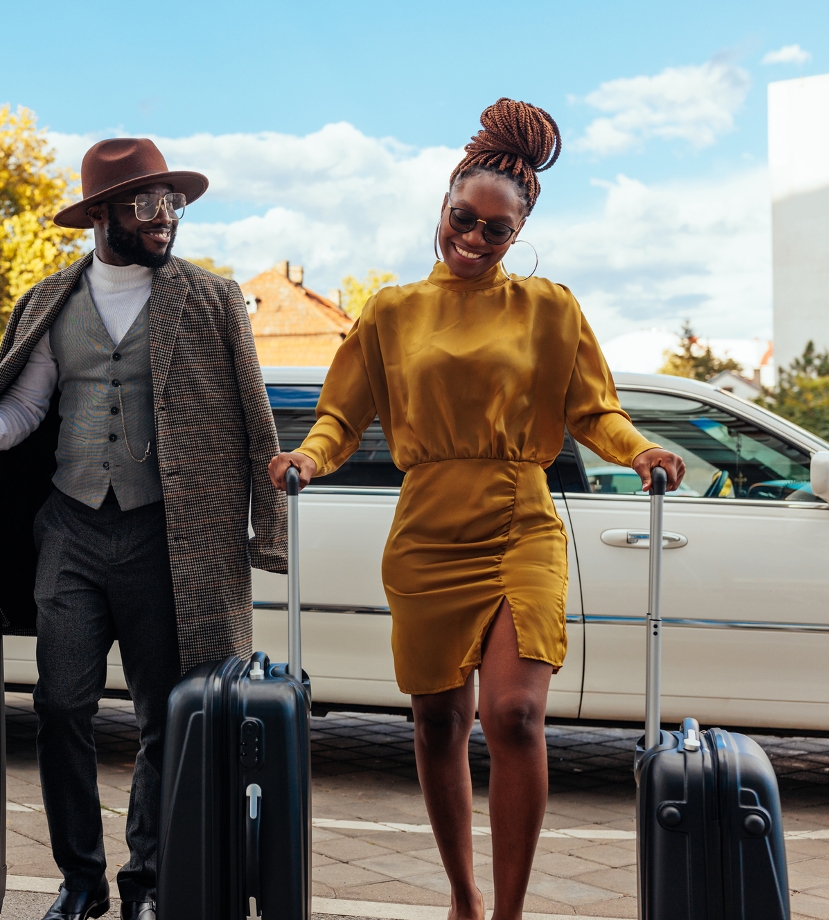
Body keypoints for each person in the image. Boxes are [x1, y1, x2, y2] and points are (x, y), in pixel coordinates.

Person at [268, 99, 686, 920]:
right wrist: (308, 458)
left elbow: (593, 410)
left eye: (497, 230)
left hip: (520, 522)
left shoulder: (550, 309)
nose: (474, 238)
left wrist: (638, 450)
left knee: (516, 714)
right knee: (436, 722)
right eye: (464, 218)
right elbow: (341, 417)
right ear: (445, 202)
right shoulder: (390, 311)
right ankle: (463, 896)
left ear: (518, 233)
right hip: (426, 532)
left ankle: (508, 913)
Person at [0, 138, 284, 920]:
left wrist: (265, 530)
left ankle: (147, 882)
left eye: (173, 201)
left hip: (168, 537)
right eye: (146, 202)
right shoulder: (50, 302)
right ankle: (80, 880)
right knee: (60, 707)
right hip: (69, 531)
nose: (165, 215)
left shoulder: (212, 298)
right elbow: (25, 403)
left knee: (163, 715)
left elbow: (254, 413)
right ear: (101, 214)